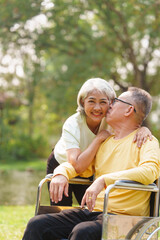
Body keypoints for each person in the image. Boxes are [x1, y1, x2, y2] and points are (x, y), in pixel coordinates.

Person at [22, 87, 160, 240]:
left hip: (123, 217)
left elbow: (150, 171)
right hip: (93, 212)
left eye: (115, 101)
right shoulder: (105, 142)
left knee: (83, 232)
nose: (110, 105)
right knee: (38, 224)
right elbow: (81, 167)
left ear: (128, 110)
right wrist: (61, 173)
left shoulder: (147, 141)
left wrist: (103, 180)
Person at [47, 78, 152, 206]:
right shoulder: (73, 124)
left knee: (88, 206)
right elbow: (76, 165)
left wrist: (143, 129)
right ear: (82, 102)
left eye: (103, 102)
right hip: (63, 163)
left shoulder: (110, 121)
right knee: (61, 208)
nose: (97, 108)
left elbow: (130, 124)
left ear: (111, 103)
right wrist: (99, 139)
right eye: (91, 101)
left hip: (89, 168)